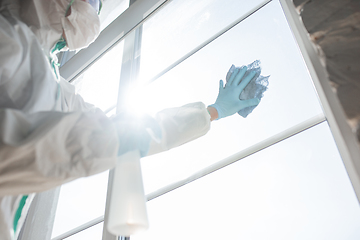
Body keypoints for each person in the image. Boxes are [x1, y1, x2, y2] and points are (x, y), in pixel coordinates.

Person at [0, 1, 260, 239]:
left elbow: (119, 129)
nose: (91, 7)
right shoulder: (10, 41)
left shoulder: (58, 89)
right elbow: (98, 139)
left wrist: (212, 111)